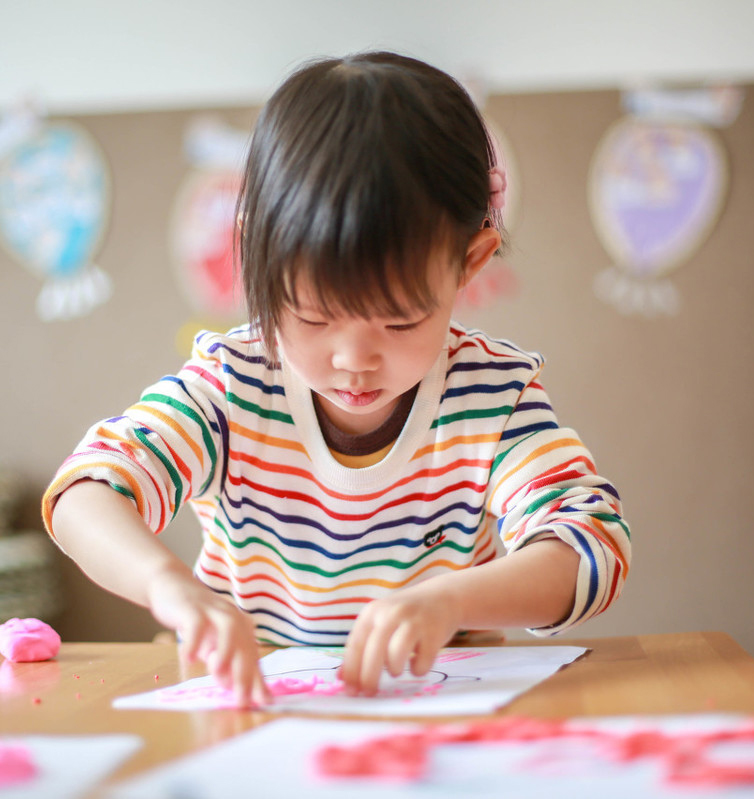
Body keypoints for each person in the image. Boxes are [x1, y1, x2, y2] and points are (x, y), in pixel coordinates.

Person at [43, 51, 630, 708]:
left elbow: (591, 543)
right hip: (255, 704)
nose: (354, 359)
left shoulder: (491, 397)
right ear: (253, 257)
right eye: (313, 316)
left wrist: (453, 599)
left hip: (437, 709)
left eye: (400, 320)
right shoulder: (230, 387)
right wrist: (167, 586)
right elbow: (85, 493)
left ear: (470, 262)